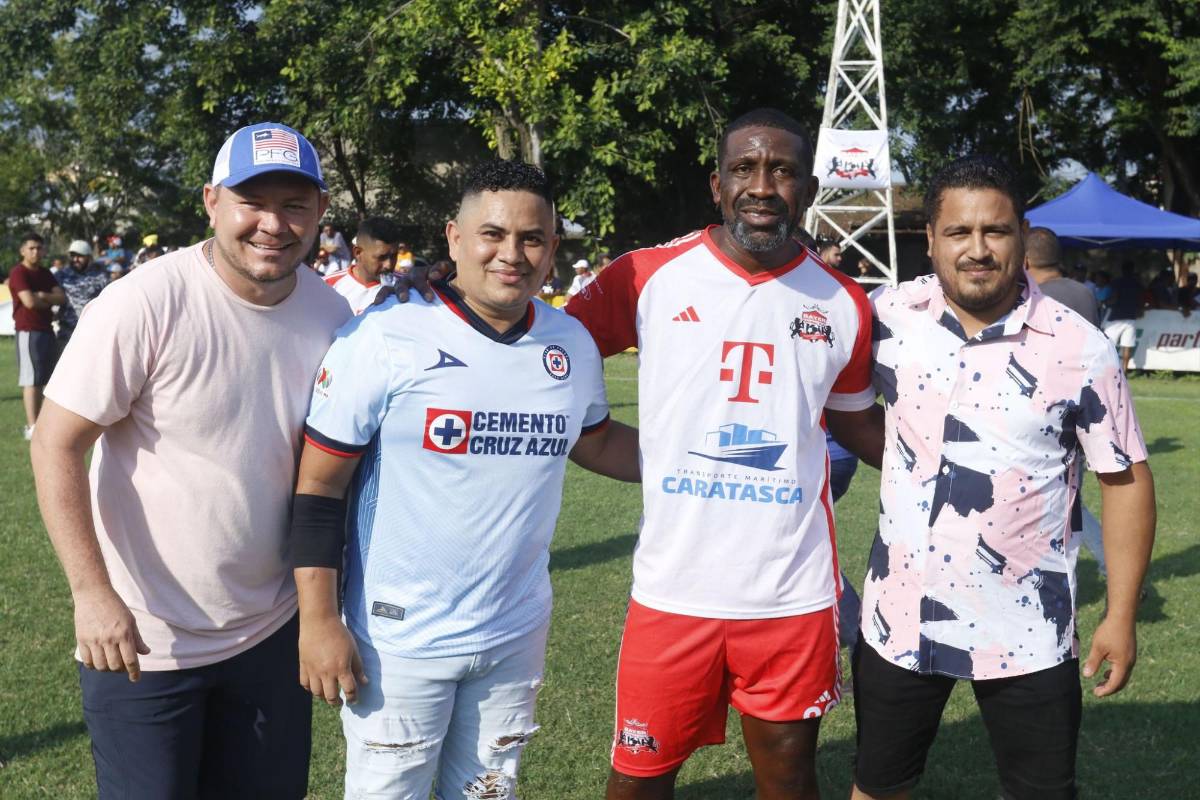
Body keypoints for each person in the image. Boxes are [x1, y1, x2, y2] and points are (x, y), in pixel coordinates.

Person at [291, 160, 640, 798]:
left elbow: (597, 444)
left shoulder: (570, 342)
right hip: (398, 638)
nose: (512, 254)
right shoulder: (386, 333)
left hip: (515, 630)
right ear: (454, 238)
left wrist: (697, 460)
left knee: (488, 792)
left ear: (553, 248)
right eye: (493, 234)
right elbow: (318, 488)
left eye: (532, 238)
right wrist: (317, 621)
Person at [30, 121, 351, 798]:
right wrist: (91, 595)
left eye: (294, 205)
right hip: (144, 638)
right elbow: (58, 443)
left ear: (320, 213)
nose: (273, 224)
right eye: (252, 202)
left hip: (270, 632)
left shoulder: (333, 316)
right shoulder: (144, 303)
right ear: (211, 202)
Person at [565, 108, 878, 799]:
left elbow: (859, 425)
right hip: (673, 593)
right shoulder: (647, 276)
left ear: (810, 188)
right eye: (745, 169)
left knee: (790, 779)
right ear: (717, 184)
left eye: (783, 171)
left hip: (792, 597)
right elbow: (549, 349)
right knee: (638, 781)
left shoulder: (845, 301)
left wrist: (958, 458)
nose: (763, 186)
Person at [850, 156, 1155, 800]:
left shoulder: (1078, 346)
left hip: (1027, 631)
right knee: (878, 787)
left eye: (996, 231)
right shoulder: (886, 318)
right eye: (959, 232)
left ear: (1021, 234)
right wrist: (919, 461)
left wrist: (1120, 614)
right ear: (929, 238)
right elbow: (841, 411)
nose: (978, 249)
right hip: (899, 617)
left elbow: (1124, 480)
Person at [8, 231, 66, 440]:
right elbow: (29, 302)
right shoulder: (18, 273)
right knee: (31, 379)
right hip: (28, 331)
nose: (36, 252)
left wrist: (42, 296)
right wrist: (47, 300)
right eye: (31, 248)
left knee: (46, 378)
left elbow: (62, 298)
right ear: (22, 250)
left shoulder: (45, 274)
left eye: (39, 248)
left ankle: (43, 423)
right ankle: (32, 426)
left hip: (46, 329)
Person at [324, 216, 402, 314]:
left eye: (394, 256)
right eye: (381, 257)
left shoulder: (406, 286)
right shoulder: (327, 286)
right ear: (358, 253)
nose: (389, 265)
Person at [55, 239, 110, 347]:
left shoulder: (101, 275)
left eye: (80, 256)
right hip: (67, 332)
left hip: (93, 332)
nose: (76, 259)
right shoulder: (61, 275)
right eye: (73, 256)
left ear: (89, 257)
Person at [1103, 260, 1143, 372]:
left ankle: (1109, 370)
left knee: (1109, 345)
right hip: (1131, 317)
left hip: (1116, 317)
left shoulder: (1117, 282)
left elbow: (1114, 297)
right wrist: (1140, 309)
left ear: (1122, 270)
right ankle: (1124, 372)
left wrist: (1105, 302)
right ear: (1132, 270)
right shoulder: (1137, 283)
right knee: (1127, 345)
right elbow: (1140, 298)